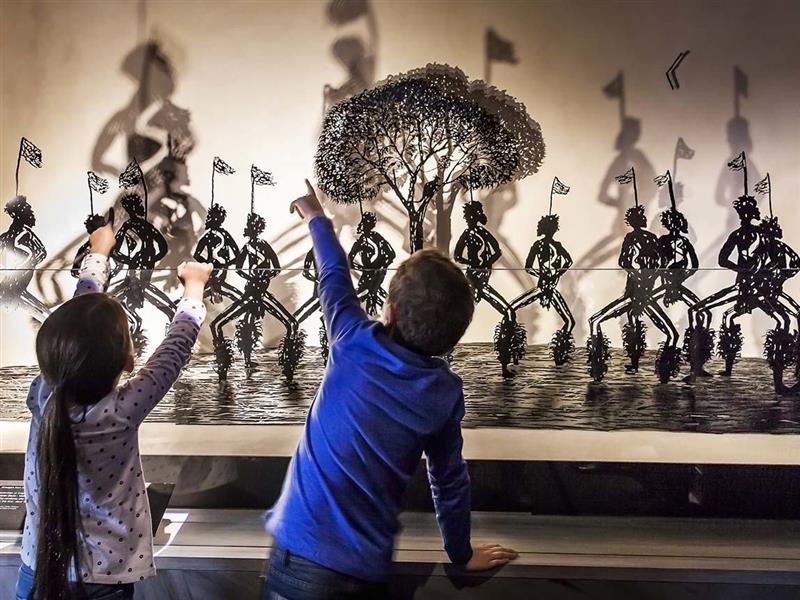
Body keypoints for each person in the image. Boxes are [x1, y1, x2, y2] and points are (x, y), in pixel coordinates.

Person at [263, 181, 517, 599]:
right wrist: (460, 553)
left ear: (390, 310)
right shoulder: (443, 394)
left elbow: (333, 275)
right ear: (453, 337)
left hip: (298, 560)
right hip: (365, 573)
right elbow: (450, 480)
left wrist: (318, 220)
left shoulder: (351, 341)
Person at [16, 218, 211, 600]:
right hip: (104, 581)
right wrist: (195, 286)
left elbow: (76, 327)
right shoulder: (122, 410)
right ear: (126, 359)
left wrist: (98, 255)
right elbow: (175, 349)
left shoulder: (43, 396)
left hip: (37, 568)